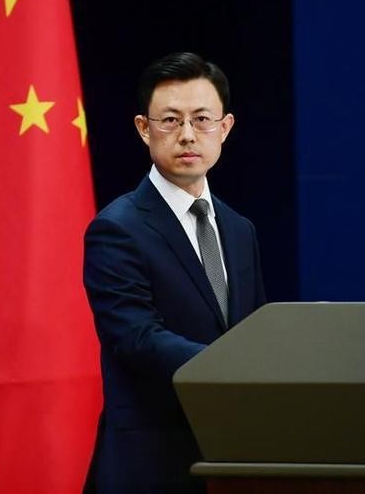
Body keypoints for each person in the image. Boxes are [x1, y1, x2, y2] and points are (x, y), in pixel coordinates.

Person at [82, 52, 266, 493]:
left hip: (233, 454)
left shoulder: (239, 229)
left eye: (202, 119)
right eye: (170, 121)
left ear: (225, 128)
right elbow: (136, 337)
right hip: (152, 461)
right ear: (144, 129)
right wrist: (228, 367)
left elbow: (254, 331)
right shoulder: (117, 228)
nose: (187, 135)